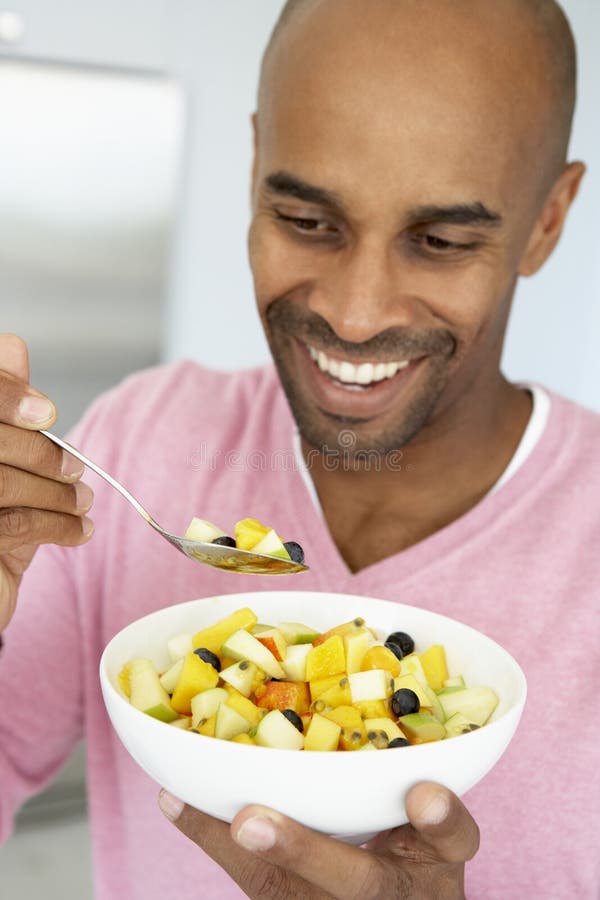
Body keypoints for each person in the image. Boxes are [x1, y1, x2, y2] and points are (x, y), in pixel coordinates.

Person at [1, 0, 598, 897]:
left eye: (438, 242)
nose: (355, 315)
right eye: (307, 220)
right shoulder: (138, 437)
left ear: (547, 221)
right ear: (254, 170)